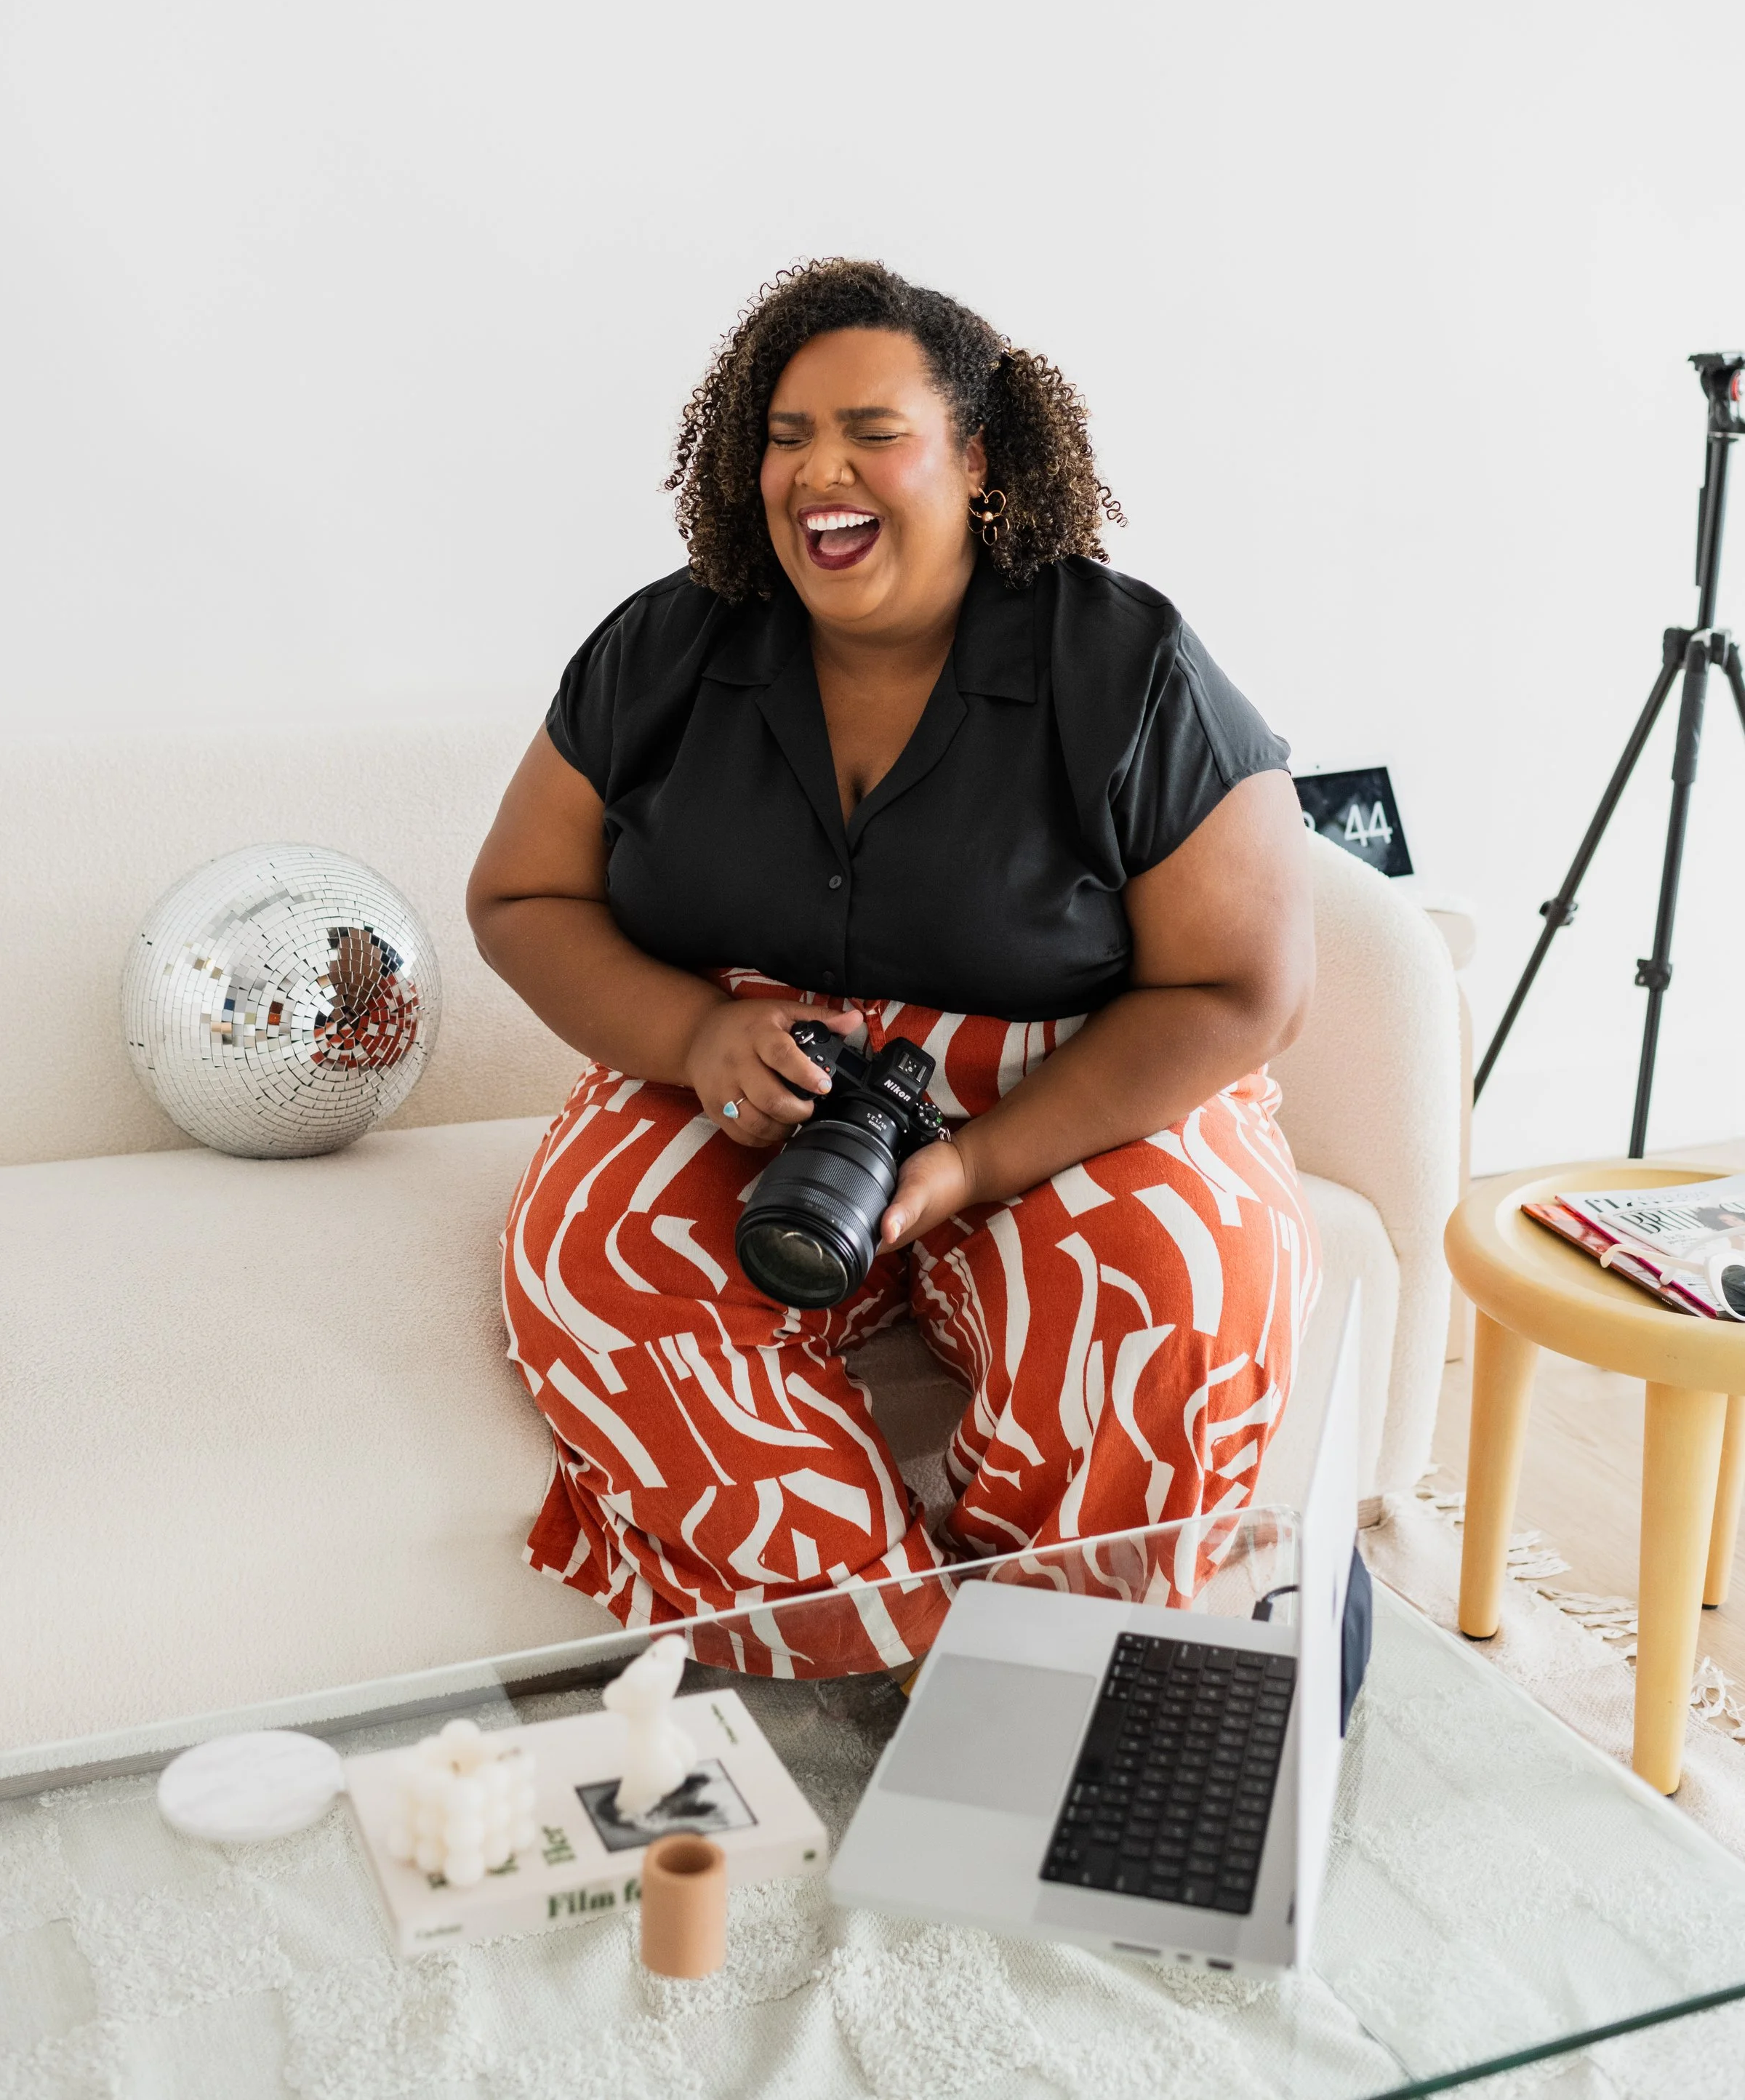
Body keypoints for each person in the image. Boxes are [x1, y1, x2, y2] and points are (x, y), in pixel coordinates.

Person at [469, 259, 1318, 1675]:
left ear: (979, 455)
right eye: (786, 435)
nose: (819, 473)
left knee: (1169, 1284)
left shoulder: (1125, 663)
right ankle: (887, 1670)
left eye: (873, 430)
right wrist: (689, 1037)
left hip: (1071, 1066)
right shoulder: (665, 647)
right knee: (600, 1260)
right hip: (755, 1062)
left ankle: (1068, 1663)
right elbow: (522, 891)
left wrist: (973, 1167)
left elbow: (1241, 989)